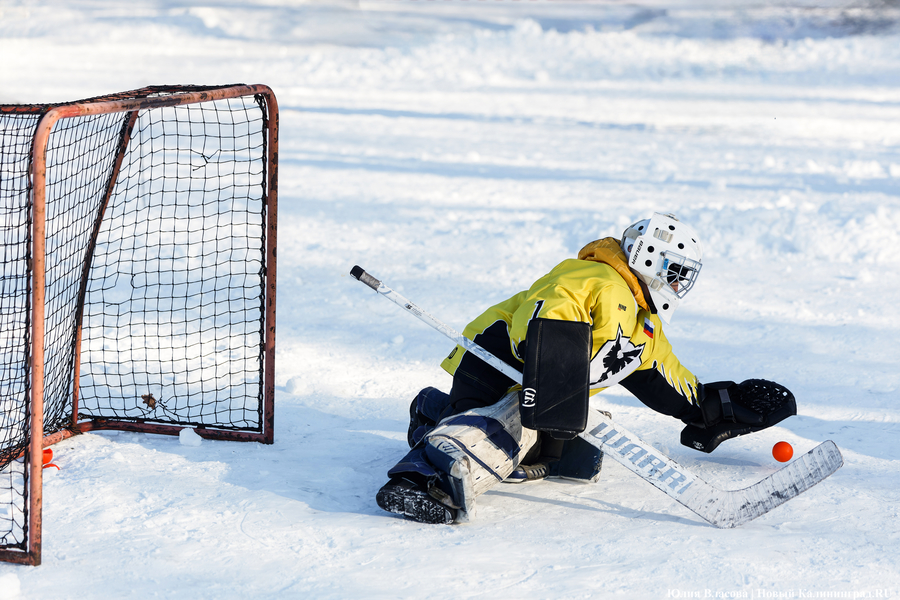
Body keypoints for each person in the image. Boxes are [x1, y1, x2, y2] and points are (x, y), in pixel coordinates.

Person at [375, 212, 795, 525]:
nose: (678, 283)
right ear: (649, 255)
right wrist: (553, 369)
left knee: (565, 452)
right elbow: (546, 310)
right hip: (497, 367)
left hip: (544, 391)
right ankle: (418, 477)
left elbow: (664, 375)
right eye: (675, 270)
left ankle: (436, 414)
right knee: (503, 437)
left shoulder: (642, 323)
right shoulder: (593, 277)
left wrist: (713, 408)